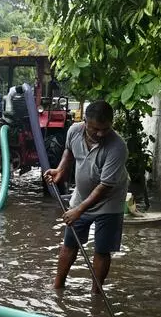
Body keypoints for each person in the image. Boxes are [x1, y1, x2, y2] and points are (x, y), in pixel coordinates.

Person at [44, 100, 128, 292]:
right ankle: (58, 286)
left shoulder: (117, 147)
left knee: (102, 248)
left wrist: (78, 211)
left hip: (109, 202)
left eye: (105, 129)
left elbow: (105, 186)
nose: (100, 134)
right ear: (85, 123)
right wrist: (60, 170)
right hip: (81, 197)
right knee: (69, 243)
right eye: (94, 129)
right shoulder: (74, 130)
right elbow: (69, 150)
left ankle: (96, 292)